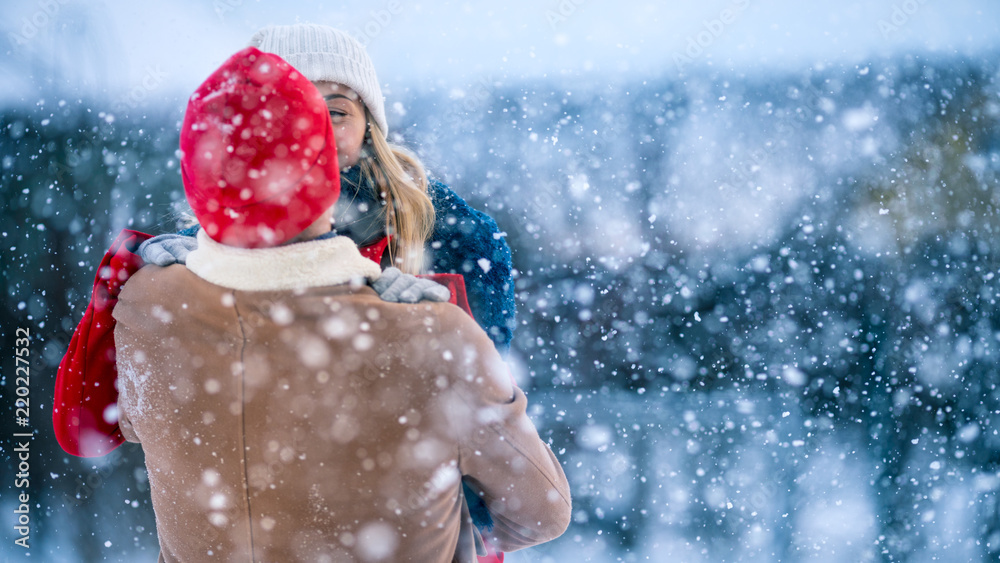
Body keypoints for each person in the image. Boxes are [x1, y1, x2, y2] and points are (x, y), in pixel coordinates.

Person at [113, 46, 570, 562]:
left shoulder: (147, 304)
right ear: (323, 175)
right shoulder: (438, 335)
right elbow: (537, 511)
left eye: (333, 112)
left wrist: (142, 279)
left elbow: (117, 426)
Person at [142, 23, 517, 354]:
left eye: (335, 112)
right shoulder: (200, 252)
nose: (315, 132)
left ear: (369, 127)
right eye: (291, 113)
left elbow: (485, 404)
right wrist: (164, 294)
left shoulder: (456, 238)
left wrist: (438, 331)